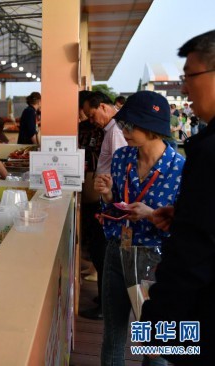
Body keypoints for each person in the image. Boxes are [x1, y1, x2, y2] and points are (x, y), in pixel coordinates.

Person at [94, 91, 185, 366]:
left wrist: (151, 214)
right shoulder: (122, 157)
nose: (125, 130)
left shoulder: (181, 168)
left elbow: (186, 227)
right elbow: (112, 209)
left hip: (156, 261)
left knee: (154, 343)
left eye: (131, 125)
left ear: (153, 128)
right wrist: (108, 195)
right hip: (117, 252)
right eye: (124, 124)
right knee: (113, 335)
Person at [142, 29, 215, 366]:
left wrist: (156, 321)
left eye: (190, 76)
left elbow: (194, 252)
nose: (185, 88)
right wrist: (185, 212)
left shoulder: (207, 151)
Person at [77, 90, 107, 321]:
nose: (90, 119)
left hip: (103, 197)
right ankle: (105, 297)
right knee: (97, 247)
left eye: (91, 114)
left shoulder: (112, 133)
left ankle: (106, 302)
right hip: (98, 192)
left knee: (101, 249)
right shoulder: (94, 128)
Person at [83, 91, 128, 175]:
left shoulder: (116, 130)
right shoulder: (111, 128)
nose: (91, 121)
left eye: (92, 116)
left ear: (103, 107)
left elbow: (120, 166)